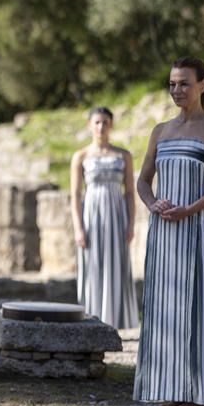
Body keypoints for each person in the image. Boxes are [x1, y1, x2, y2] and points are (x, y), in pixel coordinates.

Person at [134, 57, 204, 406]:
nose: (176, 90)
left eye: (184, 83)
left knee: (198, 307)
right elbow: (142, 181)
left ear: (202, 85)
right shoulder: (161, 131)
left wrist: (189, 209)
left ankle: (199, 393)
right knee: (166, 309)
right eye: (172, 84)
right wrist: (152, 204)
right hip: (164, 233)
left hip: (200, 229)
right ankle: (171, 387)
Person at [69, 107, 138, 328]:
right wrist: (78, 228)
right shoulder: (80, 156)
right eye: (97, 122)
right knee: (92, 264)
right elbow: (75, 194)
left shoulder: (123, 155)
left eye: (105, 122)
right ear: (89, 125)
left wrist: (131, 223)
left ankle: (115, 320)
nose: (101, 127)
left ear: (111, 125)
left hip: (116, 215)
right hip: (91, 216)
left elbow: (130, 192)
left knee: (117, 264)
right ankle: (91, 319)